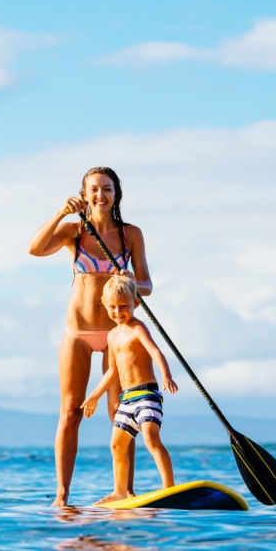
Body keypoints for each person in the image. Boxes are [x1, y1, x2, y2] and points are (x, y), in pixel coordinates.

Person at [27, 167, 152, 507]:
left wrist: (132, 282)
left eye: (107, 189)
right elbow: (34, 250)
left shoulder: (131, 235)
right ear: (84, 194)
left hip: (119, 334)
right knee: (70, 412)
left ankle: (124, 491)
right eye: (94, 189)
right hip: (79, 333)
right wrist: (60, 213)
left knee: (121, 411)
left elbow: (147, 286)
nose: (101, 195)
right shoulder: (74, 232)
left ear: (116, 194)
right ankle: (63, 496)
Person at [82, 275, 178, 504]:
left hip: (146, 394)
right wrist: (94, 395)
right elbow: (112, 372)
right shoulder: (112, 335)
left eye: (123, 305)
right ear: (105, 305)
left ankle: (169, 487)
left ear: (136, 302)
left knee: (151, 437)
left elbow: (156, 352)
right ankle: (120, 491)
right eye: (112, 307)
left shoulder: (138, 329)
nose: (118, 311)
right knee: (116, 445)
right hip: (126, 400)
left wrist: (166, 375)